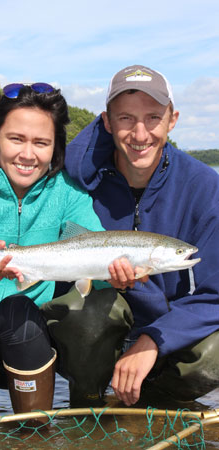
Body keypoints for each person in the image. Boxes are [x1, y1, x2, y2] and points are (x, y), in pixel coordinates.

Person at [0, 82, 133, 423]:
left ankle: (34, 432)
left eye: (41, 143)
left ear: (55, 147)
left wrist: (119, 279)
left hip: (29, 350)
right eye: (16, 139)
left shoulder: (68, 194)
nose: (28, 154)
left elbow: (94, 262)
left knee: (16, 308)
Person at [59, 64, 219, 407]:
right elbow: (56, 279)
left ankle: (151, 402)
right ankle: (87, 405)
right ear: (107, 122)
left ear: (172, 120)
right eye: (126, 118)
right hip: (98, 329)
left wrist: (153, 341)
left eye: (153, 117)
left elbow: (215, 294)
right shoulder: (76, 183)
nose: (141, 133)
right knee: (81, 308)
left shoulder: (205, 186)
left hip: (166, 331)